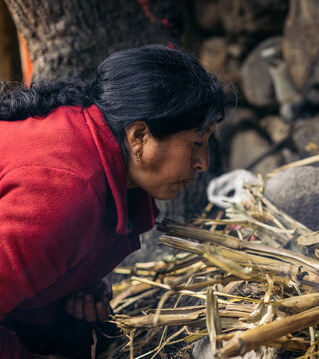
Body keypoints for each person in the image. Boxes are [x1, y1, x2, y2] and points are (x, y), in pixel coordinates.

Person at [0, 44, 229, 358]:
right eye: (196, 142)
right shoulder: (67, 192)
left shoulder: (92, 151)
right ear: (139, 138)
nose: (202, 162)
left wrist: (75, 282)